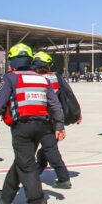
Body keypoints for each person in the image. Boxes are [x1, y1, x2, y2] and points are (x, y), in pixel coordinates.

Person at [0, 43, 65, 204]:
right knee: (22, 160)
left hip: (23, 127)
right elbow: (55, 104)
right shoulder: (42, 79)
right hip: (44, 126)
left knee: (27, 166)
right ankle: (5, 197)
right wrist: (59, 125)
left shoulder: (11, 77)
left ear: (13, 61)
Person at [32, 51, 81, 189]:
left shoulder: (31, 78)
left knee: (48, 149)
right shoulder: (56, 77)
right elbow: (69, 95)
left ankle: (63, 178)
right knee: (47, 149)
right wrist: (77, 113)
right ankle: (38, 172)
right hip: (54, 118)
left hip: (36, 118)